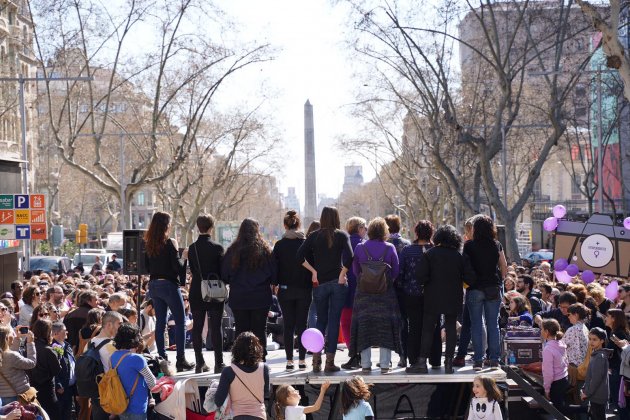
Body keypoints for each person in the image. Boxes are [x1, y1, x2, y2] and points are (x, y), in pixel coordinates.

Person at [411, 224, 476, 374]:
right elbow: (470, 278)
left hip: (432, 295)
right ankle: (448, 363)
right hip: (453, 296)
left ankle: (421, 363)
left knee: (428, 329)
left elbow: (420, 276)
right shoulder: (459, 256)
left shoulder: (429, 254)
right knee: (451, 328)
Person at [296, 207, 353, 372]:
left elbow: (299, 256)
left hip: (320, 284)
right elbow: (351, 257)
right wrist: (343, 274)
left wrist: (313, 271)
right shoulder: (342, 235)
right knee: (334, 321)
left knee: (320, 321)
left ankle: (315, 361)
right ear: (336, 217)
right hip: (338, 283)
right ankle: (330, 362)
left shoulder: (314, 236)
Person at [143, 211, 195, 371]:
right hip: (168, 285)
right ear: (166, 225)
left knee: (160, 323)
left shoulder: (148, 243)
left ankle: (162, 358)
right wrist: (184, 257)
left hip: (154, 285)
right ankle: (180, 359)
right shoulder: (170, 242)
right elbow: (177, 267)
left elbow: (145, 267)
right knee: (180, 322)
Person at [350, 217, 400, 374]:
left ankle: (365, 364)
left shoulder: (359, 247)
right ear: (385, 231)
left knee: (364, 327)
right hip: (385, 295)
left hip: (363, 295)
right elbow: (396, 272)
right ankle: (385, 364)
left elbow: (355, 271)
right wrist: (384, 282)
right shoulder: (390, 247)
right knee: (385, 327)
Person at [221, 219, 276, 360]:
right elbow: (274, 275)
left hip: (239, 297)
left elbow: (224, 274)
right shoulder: (265, 250)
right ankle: (260, 357)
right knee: (260, 328)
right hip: (260, 296)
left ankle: (240, 357)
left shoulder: (232, 251)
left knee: (241, 328)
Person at [463, 215, 508, 370]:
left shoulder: (469, 246)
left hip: (474, 288)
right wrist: (501, 280)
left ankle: (478, 360)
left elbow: (464, 266)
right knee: (493, 324)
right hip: (493, 288)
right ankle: (494, 360)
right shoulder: (496, 245)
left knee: (476, 324)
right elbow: (504, 266)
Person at [399, 220, 441, 371]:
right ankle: (435, 359)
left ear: (416, 233)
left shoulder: (407, 250)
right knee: (434, 327)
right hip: (432, 294)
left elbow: (401, 272)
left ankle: (414, 359)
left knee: (414, 327)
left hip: (411, 293)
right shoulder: (436, 250)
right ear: (431, 233)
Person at [272, 211, 312, 370]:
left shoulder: (279, 245)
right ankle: (302, 360)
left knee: (288, 325)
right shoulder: (305, 243)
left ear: (285, 225)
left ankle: (289, 361)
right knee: (302, 324)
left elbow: (274, 267)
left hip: (285, 290)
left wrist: (274, 284)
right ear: (299, 224)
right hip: (304, 289)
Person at [187, 214, 225, 374]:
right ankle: (218, 363)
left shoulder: (192, 248)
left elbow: (194, 270)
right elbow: (222, 271)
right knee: (216, 327)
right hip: (214, 288)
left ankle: (199, 362)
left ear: (198, 228)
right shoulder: (218, 248)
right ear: (212, 227)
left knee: (197, 326)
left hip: (197, 288)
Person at [214, 332, 270, 420]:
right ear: (258, 349)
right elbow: (266, 393)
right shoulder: (264, 368)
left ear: (235, 349)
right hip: (259, 416)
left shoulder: (229, 371)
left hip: (237, 416)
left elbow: (218, 401)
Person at [110, 323, 157, 420]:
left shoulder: (113, 357)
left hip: (121, 405)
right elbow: (152, 383)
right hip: (137, 407)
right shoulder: (137, 359)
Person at [340, 217, 366, 370]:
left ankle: (353, 355)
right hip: (363, 288)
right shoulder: (364, 245)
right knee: (360, 324)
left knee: (346, 324)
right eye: (365, 227)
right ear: (360, 228)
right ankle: (362, 355)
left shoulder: (343, 243)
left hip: (346, 288)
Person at [385, 214, 411, 367]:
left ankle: (386, 359)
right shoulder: (406, 244)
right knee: (403, 324)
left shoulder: (383, 244)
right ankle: (404, 356)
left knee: (387, 323)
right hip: (404, 289)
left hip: (386, 289)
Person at [90, 311, 124, 420]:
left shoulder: (91, 342)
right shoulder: (111, 345)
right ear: (109, 324)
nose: (121, 327)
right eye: (119, 323)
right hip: (110, 392)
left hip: (96, 389)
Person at [29, 319, 62, 420]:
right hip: (48, 391)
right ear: (47, 332)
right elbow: (57, 370)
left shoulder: (29, 347)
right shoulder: (48, 350)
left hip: (32, 390)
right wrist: (58, 356)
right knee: (52, 415)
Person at [0, 325, 35, 404]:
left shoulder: (5, 355)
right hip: (16, 396)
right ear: (6, 338)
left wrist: (17, 339)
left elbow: (11, 353)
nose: (13, 335)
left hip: (3, 396)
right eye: (12, 334)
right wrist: (30, 343)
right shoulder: (11, 356)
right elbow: (31, 363)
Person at [541, 319, 569, 415]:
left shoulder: (548, 349)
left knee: (559, 411)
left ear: (547, 332)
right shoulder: (561, 344)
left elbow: (548, 373)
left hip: (556, 383)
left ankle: (586, 409)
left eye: (542, 329)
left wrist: (547, 389)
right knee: (562, 408)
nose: (541, 331)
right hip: (564, 379)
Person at [581, 327, 610, 420]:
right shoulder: (595, 354)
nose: (591, 342)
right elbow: (590, 376)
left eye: (594, 339)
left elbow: (596, 379)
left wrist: (587, 393)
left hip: (598, 396)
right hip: (595, 395)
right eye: (589, 339)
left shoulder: (599, 356)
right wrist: (584, 389)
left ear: (602, 341)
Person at [51, 322, 76, 420]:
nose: (67, 332)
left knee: (68, 414)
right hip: (61, 389)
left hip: (70, 387)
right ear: (56, 333)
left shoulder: (67, 345)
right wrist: (58, 385)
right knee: (60, 414)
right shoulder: (52, 347)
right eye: (64, 330)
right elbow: (52, 369)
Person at [605, 308, 628, 407]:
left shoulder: (618, 333)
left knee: (619, 400)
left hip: (618, 371)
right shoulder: (615, 331)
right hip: (616, 369)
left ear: (613, 318)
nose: (605, 318)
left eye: (607, 316)